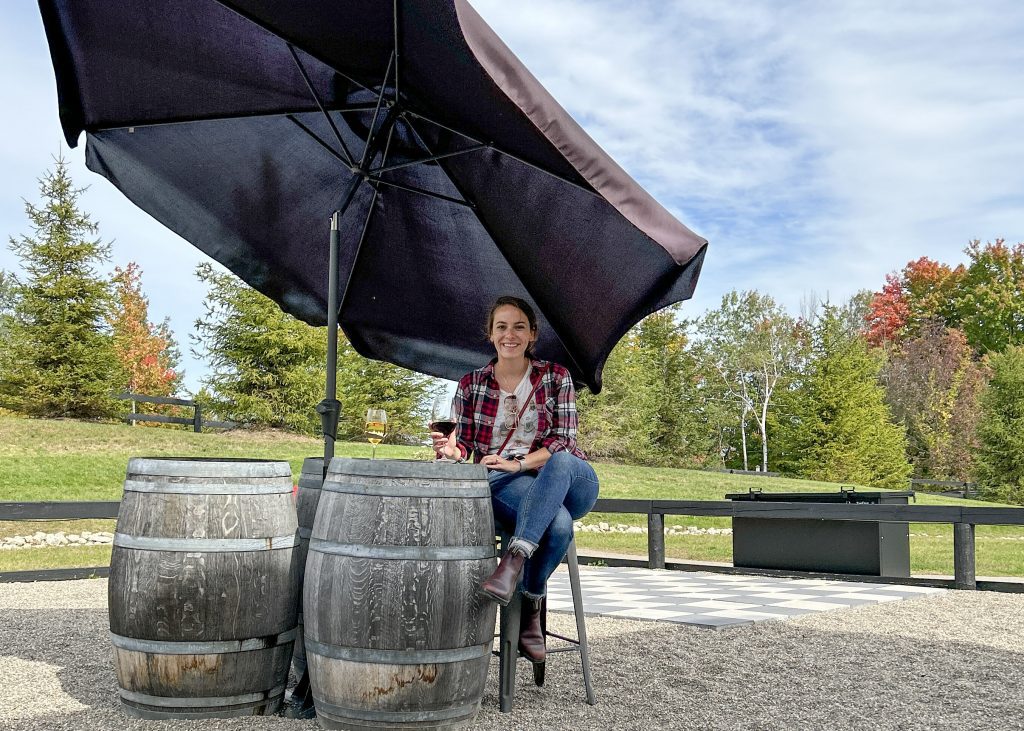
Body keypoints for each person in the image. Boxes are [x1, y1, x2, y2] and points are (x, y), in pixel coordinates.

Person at [432, 296, 599, 664]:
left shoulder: (556, 377)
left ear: (532, 334)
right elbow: (467, 448)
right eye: (502, 327)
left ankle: (512, 562)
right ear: (490, 335)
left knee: (561, 460)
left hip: (568, 479)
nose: (510, 334)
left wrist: (519, 464)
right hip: (507, 486)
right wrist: (451, 450)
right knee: (557, 524)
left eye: (519, 326)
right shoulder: (471, 384)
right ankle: (531, 602)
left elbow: (563, 441)